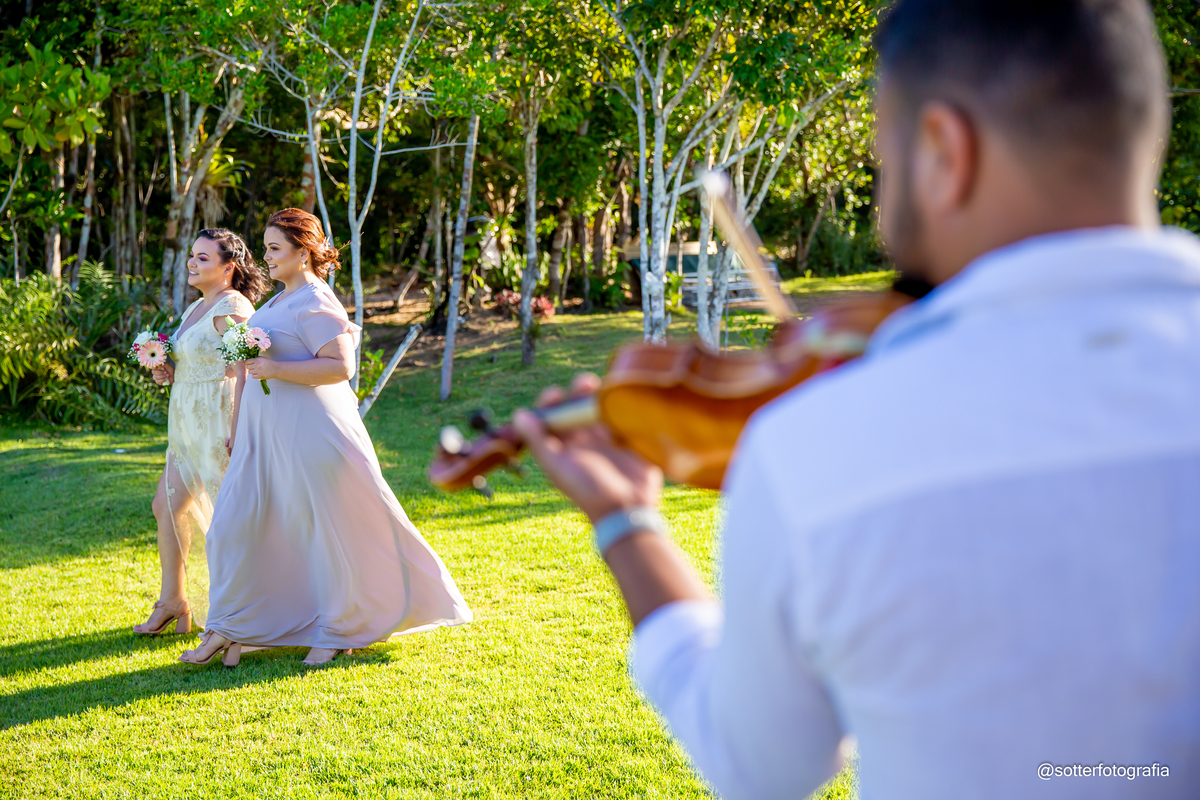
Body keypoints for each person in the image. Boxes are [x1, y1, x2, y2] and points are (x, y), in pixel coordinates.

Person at [513, 1, 1200, 797]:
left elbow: (761, 765)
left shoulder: (820, 444)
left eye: (883, 157)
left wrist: (625, 522)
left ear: (943, 150)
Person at [180, 208, 471, 667]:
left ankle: (337, 628)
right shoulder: (277, 301)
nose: (267, 257)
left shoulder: (316, 298)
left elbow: (340, 366)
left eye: (276, 248)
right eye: (267, 247)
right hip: (267, 437)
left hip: (311, 434)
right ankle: (232, 628)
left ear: (303, 251)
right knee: (233, 527)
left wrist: (275, 369)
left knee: (326, 532)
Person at [133, 229, 268, 635]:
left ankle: (247, 613)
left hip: (217, 422)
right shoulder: (198, 306)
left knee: (230, 519)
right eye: (192, 255)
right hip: (185, 424)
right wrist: (168, 369)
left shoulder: (234, 307)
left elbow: (247, 374)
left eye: (203, 258)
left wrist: (239, 430)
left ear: (229, 268)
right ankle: (173, 601)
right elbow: (198, 359)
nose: (192, 262)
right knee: (166, 506)